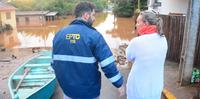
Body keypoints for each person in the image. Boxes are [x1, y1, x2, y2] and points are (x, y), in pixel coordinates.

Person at [52, 1, 124, 99]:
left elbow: (54, 63)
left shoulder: (59, 34)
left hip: (68, 92)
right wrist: (119, 84)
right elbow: (108, 64)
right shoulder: (94, 36)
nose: (94, 18)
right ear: (86, 15)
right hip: (89, 93)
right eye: (93, 15)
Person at [126, 10, 168, 99]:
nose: (136, 25)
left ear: (146, 23)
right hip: (156, 87)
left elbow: (129, 57)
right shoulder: (163, 39)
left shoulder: (137, 42)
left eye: (138, 22)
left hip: (139, 90)